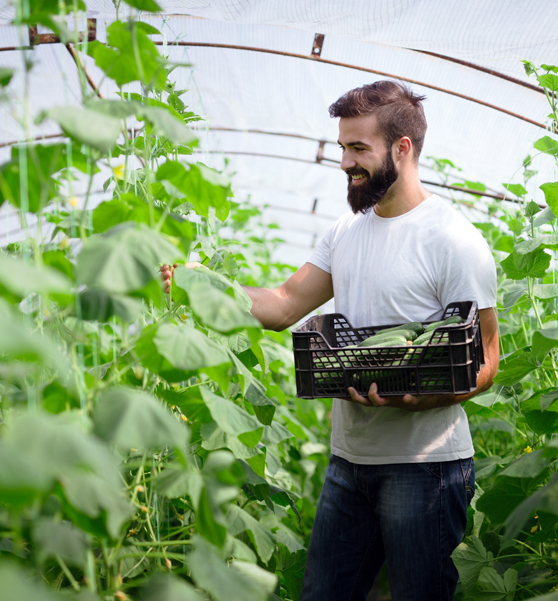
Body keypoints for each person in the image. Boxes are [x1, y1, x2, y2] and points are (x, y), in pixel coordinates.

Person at [161, 80, 499, 601]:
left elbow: (488, 359)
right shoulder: (346, 231)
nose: (345, 162)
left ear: (401, 149)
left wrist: (420, 397)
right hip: (350, 465)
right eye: (343, 147)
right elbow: (282, 305)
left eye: (359, 148)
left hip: (425, 470)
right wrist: (201, 283)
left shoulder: (452, 240)